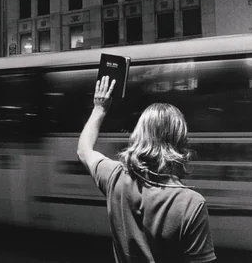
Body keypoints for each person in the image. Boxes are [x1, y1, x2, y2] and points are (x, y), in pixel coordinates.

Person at [77, 76, 216, 263]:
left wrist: (99, 108)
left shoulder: (115, 177)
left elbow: (84, 150)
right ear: (181, 141)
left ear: (139, 136)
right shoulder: (191, 204)